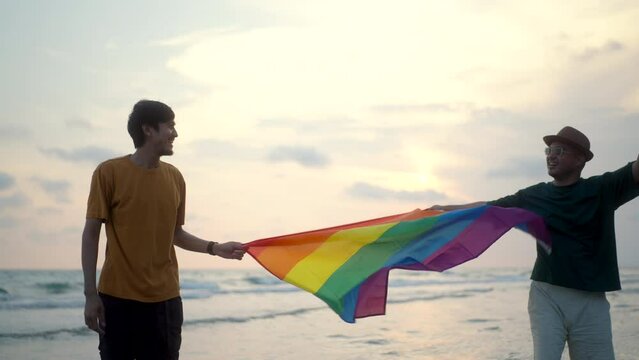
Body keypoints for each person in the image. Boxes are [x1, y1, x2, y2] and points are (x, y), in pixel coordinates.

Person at [430, 126, 639, 360]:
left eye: (560, 150)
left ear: (580, 159)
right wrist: (445, 211)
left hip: (591, 302)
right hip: (546, 295)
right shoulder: (535, 195)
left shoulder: (603, 189)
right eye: (548, 150)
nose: (551, 155)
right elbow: (489, 208)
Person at [81, 100, 246, 360]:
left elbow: (175, 234)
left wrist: (215, 248)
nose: (176, 134)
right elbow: (91, 234)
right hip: (116, 299)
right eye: (170, 126)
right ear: (148, 130)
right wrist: (91, 294)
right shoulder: (108, 173)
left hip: (165, 302)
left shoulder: (175, 177)